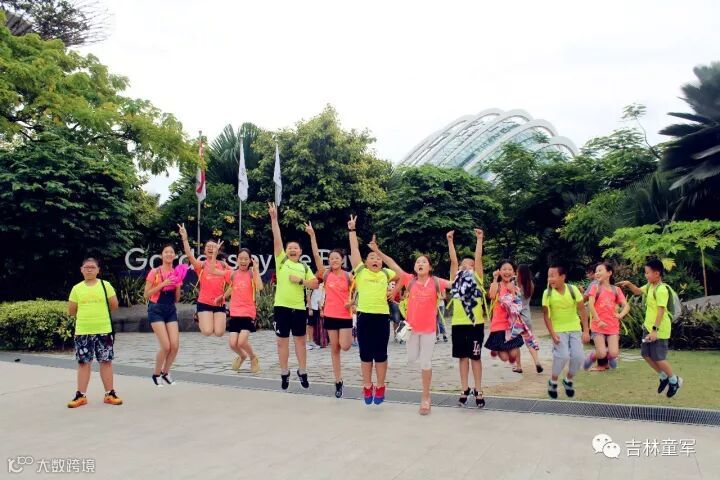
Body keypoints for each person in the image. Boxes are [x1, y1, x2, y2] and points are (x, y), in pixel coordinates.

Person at [368, 237, 449, 415]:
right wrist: (377, 250)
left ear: (429, 267)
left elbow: (453, 283)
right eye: (418, 262)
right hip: (411, 329)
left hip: (429, 330)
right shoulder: (409, 280)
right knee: (412, 358)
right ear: (414, 267)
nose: (420, 263)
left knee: (425, 362)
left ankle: (426, 398)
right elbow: (391, 263)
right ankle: (422, 377)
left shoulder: (436, 281)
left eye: (424, 262)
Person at [268, 203, 319, 390]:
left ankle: (302, 371)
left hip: (298, 309)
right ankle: (284, 372)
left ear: (300, 252)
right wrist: (274, 219)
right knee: (282, 342)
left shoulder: (304, 267)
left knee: (300, 341)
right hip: (281, 308)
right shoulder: (282, 261)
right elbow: (277, 240)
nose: (292, 250)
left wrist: (301, 281)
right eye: (289, 248)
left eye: (295, 248)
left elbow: (315, 283)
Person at [348, 215, 397, 405]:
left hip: (382, 317)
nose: (375, 260)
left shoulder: (386, 273)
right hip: (364, 316)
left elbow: (401, 274)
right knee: (366, 354)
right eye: (371, 257)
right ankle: (367, 385)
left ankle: (381, 385)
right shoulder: (361, 272)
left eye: (377, 258)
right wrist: (352, 230)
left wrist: (395, 292)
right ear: (366, 262)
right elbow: (354, 250)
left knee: (381, 354)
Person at [617, 259, 683, 398]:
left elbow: (661, 311)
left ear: (657, 273)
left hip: (659, 330)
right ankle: (663, 376)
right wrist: (629, 284)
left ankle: (674, 380)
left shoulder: (661, 290)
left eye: (647, 273)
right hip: (648, 327)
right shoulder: (650, 286)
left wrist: (654, 330)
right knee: (645, 354)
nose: (645, 275)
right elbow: (637, 292)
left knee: (659, 358)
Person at [305, 222, 354, 398]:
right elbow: (316, 256)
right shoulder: (326, 274)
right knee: (335, 348)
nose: (333, 260)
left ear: (342, 260)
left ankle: (339, 376)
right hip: (330, 316)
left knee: (345, 346)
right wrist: (312, 235)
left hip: (345, 316)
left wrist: (352, 303)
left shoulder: (348, 276)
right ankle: (338, 381)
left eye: (337, 258)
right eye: (331, 258)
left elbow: (358, 292)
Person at [67, 257, 123, 408]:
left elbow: (114, 304)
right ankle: (81, 395)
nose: (89, 270)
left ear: (98, 270)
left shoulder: (106, 285)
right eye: (86, 267)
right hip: (83, 331)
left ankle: (110, 394)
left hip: (104, 330)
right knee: (83, 363)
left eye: (92, 267)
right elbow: (72, 310)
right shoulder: (76, 288)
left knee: (106, 362)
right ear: (81, 270)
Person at [447, 229, 487, 408]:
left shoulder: (477, 279)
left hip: (475, 325)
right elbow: (453, 261)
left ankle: (478, 389)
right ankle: (464, 388)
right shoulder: (455, 280)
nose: (465, 267)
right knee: (462, 358)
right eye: (463, 266)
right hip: (458, 324)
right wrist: (450, 241)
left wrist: (479, 239)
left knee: (475, 358)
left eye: (469, 265)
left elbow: (478, 259)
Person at [208, 243, 263, 374]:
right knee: (233, 344)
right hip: (235, 312)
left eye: (246, 259)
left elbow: (260, 287)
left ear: (250, 260)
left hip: (248, 312)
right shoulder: (233, 274)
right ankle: (242, 356)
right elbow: (213, 271)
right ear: (237, 259)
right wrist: (223, 296)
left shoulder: (251, 273)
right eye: (241, 258)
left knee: (242, 341)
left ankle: (253, 357)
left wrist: (256, 270)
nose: (243, 261)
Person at [542, 265, 590, 399]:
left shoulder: (573, 290)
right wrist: (552, 334)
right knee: (562, 356)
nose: (550, 279)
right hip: (558, 329)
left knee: (578, 357)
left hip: (575, 328)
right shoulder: (547, 293)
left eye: (553, 276)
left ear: (563, 277)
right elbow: (546, 316)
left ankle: (568, 380)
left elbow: (582, 310)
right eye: (549, 276)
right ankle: (553, 382)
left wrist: (586, 331)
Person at [143, 244, 185, 387]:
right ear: (162, 255)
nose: (169, 254)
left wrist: (178, 285)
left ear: (174, 255)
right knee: (166, 346)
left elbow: (177, 299)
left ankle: (165, 373)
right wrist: (163, 284)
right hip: (156, 309)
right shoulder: (154, 272)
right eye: (166, 252)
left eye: (171, 252)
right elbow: (146, 294)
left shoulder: (176, 273)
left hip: (170, 309)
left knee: (175, 345)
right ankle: (156, 374)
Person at [178, 223, 228, 337]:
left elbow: (235, 277)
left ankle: (221, 315)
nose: (210, 248)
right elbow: (189, 256)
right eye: (208, 246)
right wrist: (184, 238)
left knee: (219, 333)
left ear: (218, 250)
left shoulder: (223, 265)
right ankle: (198, 315)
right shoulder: (201, 265)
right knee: (207, 332)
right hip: (204, 302)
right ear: (204, 251)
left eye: (213, 246)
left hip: (219, 303)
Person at [583, 262, 629, 371]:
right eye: (596, 271)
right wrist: (598, 320)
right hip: (598, 326)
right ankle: (593, 356)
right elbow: (590, 305)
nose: (597, 273)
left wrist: (620, 315)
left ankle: (606, 359)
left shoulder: (616, 290)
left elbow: (626, 306)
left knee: (614, 353)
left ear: (609, 273)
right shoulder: (595, 287)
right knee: (601, 353)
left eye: (600, 270)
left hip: (612, 326)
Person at [485, 260, 525, 363]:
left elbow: (518, 306)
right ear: (499, 271)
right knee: (505, 358)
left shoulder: (515, 287)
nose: (507, 272)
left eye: (510, 269)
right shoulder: (497, 285)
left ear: (514, 272)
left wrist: (512, 291)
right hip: (498, 325)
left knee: (513, 355)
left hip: (511, 326)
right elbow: (492, 296)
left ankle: (496, 349)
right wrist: (495, 278)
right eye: (504, 269)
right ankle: (496, 349)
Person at [515, 264, 544, 374]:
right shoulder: (530, 285)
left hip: (517, 318)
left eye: (517, 272)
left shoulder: (516, 286)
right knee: (529, 341)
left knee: (515, 343)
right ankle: (537, 362)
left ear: (520, 273)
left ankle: (518, 366)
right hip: (527, 317)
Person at [306, 283, 325, 350]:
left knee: (312, 325)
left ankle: (311, 341)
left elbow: (319, 300)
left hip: (316, 308)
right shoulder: (312, 285)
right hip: (310, 307)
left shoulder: (321, 287)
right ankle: (306, 342)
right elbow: (308, 296)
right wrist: (310, 308)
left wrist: (321, 310)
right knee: (309, 325)